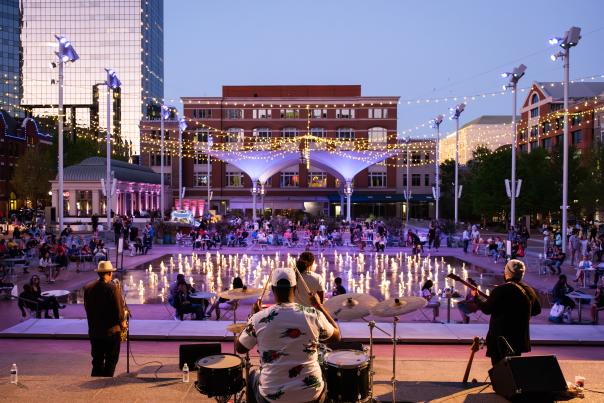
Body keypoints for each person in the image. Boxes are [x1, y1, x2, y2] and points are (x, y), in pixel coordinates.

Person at [236, 268, 341, 403]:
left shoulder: (258, 319)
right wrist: (319, 305)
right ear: (296, 288)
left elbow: (240, 348)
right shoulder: (313, 314)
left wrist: (251, 317)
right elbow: (336, 336)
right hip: (311, 395)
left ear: (273, 290)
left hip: (271, 396)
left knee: (252, 376)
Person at [472, 259, 541, 366]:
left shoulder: (501, 290)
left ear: (507, 273)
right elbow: (537, 309)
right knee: (512, 368)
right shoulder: (528, 290)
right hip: (519, 337)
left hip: (500, 338)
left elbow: (486, 309)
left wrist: (476, 297)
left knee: (499, 370)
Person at [83, 261, 126, 377]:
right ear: (109, 273)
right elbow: (119, 311)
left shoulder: (88, 288)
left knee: (97, 361)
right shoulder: (112, 288)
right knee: (111, 361)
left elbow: (86, 308)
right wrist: (123, 324)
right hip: (111, 332)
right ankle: (105, 384)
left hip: (94, 331)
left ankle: (94, 383)